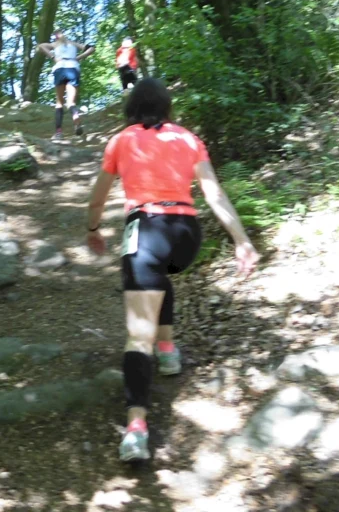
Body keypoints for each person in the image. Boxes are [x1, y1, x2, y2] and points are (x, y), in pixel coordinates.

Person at [84, 78, 261, 462]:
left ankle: (136, 429)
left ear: (132, 107)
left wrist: (93, 229)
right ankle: (168, 351)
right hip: (186, 236)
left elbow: (98, 197)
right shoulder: (188, 138)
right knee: (159, 277)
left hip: (145, 231)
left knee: (137, 333)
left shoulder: (121, 140)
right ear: (168, 108)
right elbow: (214, 193)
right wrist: (241, 240)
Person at [35, 29, 94, 140]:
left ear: (56, 36)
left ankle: (58, 133)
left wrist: (52, 57)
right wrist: (79, 58)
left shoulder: (55, 44)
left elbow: (41, 46)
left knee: (59, 102)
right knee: (71, 102)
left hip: (60, 68)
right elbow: (91, 48)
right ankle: (76, 122)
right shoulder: (73, 43)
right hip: (73, 68)